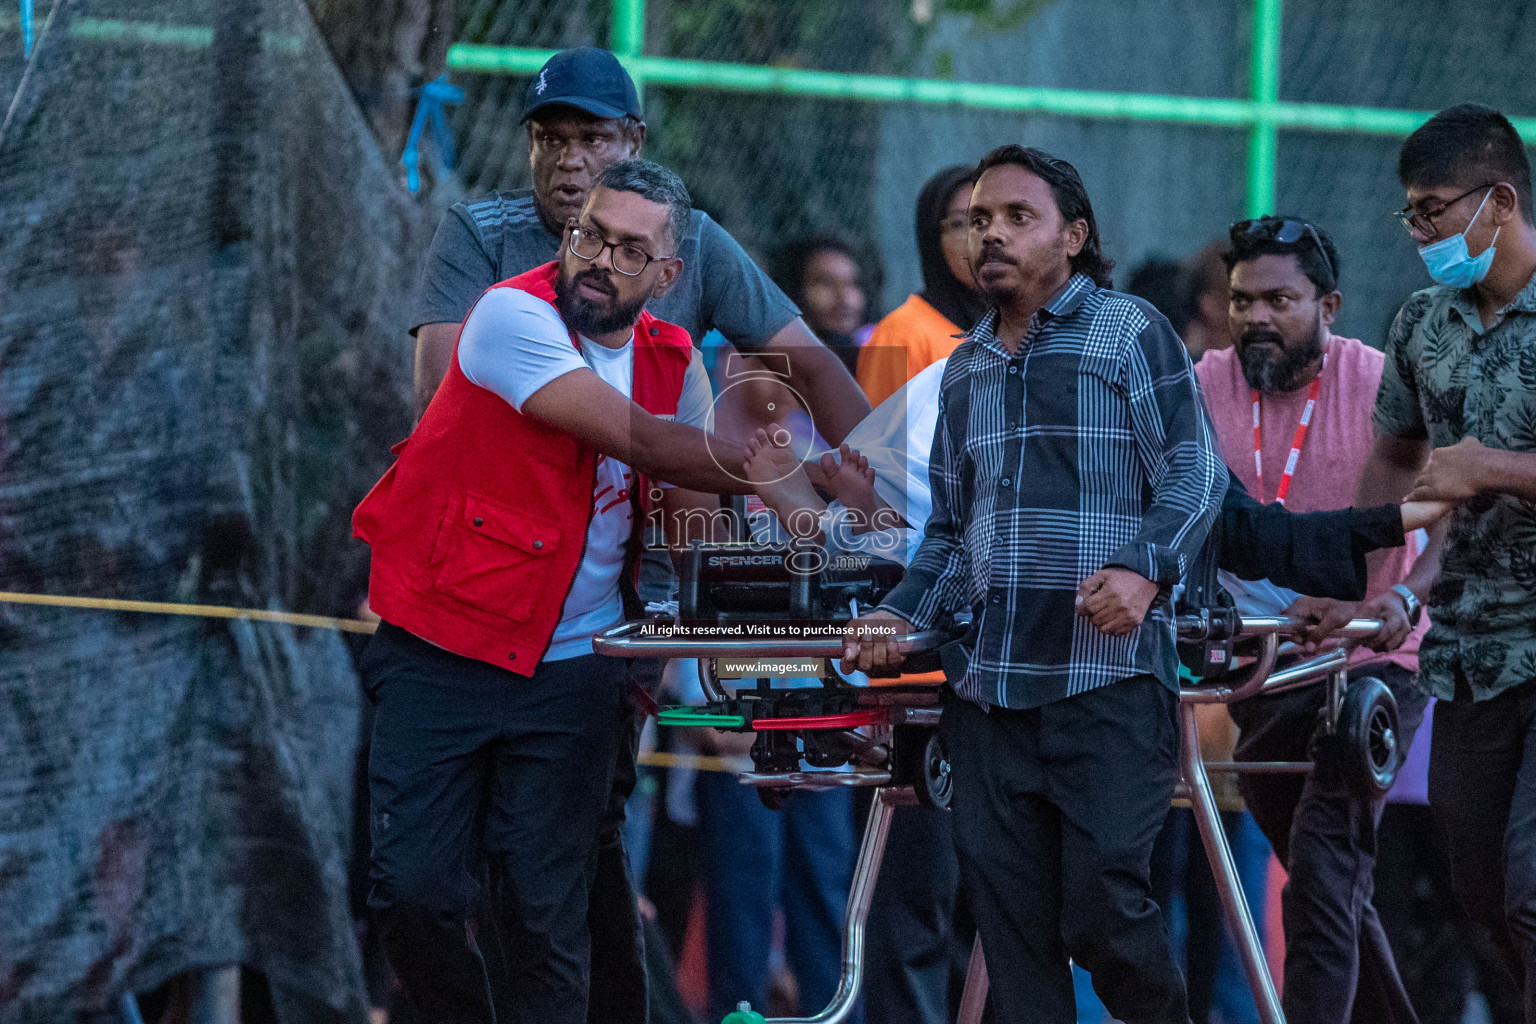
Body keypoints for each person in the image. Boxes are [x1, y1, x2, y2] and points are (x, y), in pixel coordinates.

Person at [407, 45, 872, 1021]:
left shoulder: (685, 282)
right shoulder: (495, 278)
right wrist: (756, 470)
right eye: (552, 138)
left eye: (592, 139)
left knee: (563, 855)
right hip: (468, 606)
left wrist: (860, 490)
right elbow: (444, 408)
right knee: (433, 883)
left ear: (665, 256)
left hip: (608, 623)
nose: (569, 161)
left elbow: (774, 396)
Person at [353, 161, 752, 1024]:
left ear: (668, 277)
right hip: (441, 647)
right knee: (410, 891)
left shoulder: (673, 359)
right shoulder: (509, 315)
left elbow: (689, 522)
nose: (599, 258)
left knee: (542, 912)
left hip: (575, 666)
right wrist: (782, 471)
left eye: (628, 248)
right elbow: (644, 442)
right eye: (589, 236)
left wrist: (737, 632)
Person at [840, 144, 1227, 1024]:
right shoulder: (965, 368)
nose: (992, 235)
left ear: (1074, 235)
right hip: (990, 696)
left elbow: (1197, 471)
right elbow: (948, 534)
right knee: (1014, 944)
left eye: (1019, 217)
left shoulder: (1130, 332)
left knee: (1105, 915)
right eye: (980, 219)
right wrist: (896, 617)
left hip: (1109, 685)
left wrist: (1143, 566)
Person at [1196, 215, 1431, 1024]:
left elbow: (1454, 508)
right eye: (1243, 299)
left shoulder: (1382, 381)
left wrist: (1391, 601)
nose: (1257, 315)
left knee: (1327, 871)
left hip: (1374, 664)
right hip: (1259, 667)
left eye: (1280, 299)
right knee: (1330, 883)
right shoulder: (1201, 385)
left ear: (1328, 304)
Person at [1358, 102, 1536, 1022]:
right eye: (1413, 215)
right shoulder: (1421, 321)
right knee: (1474, 889)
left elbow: (1466, 468)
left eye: (1432, 210)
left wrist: (1489, 468)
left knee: (1529, 890)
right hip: (1467, 648)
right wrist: (1357, 576)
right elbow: (1393, 455)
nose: (1422, 233)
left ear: (1499, 200)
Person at [857, 165, 989, 407]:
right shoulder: (902, 333)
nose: (984, 238)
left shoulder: (1021, 326)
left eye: (985, 221)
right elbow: (880, 441)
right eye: (961, 224)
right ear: (933, 240)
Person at [770, 234, 874, 376]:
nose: (845, 299)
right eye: (826, 283)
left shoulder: (869, 352)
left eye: (852, 284)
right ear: (795, 289)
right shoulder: (776, 365)